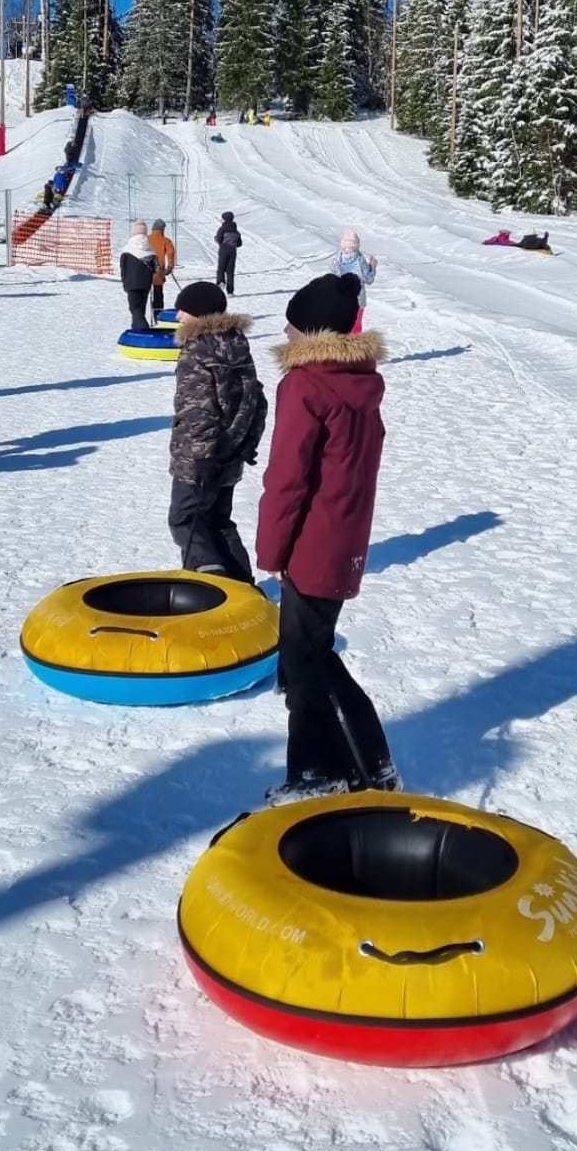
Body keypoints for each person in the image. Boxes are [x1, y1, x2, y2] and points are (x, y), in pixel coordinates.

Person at [256, 271, 400, 803]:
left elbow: (288, 478)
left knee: (303, 660)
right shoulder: (360, 381)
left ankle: (317, 772)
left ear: (310, 331)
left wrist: (272, 550)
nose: (286, 334)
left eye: (293, 325)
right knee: (313, 652)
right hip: (345, 539)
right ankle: (367, 761)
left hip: (313, 542)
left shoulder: (306, 384)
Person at [168, 281, 266, 583]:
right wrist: (245, 445)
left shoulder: (196, 350)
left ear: (198, 314)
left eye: (183, 310)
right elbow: (256, 401)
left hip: (200, 460)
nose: (178, 317)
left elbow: (199, 412)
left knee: (186, 521)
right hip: (230, 455)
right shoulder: (237, 344)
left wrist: (201, 462)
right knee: (219, 521)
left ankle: (212, 584)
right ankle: (243, 586)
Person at [329, 230, 377, 334]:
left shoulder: (338, 258)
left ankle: (341, 348)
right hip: (357, 299)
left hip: (340, 298)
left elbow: (333, 272)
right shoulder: (360, 260)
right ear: (357, 245)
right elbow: (368, 279)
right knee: (355, 326)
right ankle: (354, 348)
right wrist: (372, 266)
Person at [119, 219, 158, 332]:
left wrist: (124, 283)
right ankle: (136, 328)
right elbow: (156, 268)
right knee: (141, 308)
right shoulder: (150, 249)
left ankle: (141, 330)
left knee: (135, 308)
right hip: (146, 284)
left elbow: (123, 268)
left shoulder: (127, 249)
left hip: (131, 283)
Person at [147, 219, 176, 319]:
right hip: (158, 271)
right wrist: (170, 266)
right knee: (158, 294)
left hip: (144, 270)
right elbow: (170, 253)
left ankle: (140, 315)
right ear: (162, 229)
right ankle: (157, 315)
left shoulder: (145, 239)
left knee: (143, 294)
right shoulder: (166, 241)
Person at [214, 211, 242, 296]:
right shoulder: (236, 231)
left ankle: (221, 282)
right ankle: (230, 291)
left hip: (223, 249)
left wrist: (216, 239)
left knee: (221, 268)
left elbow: (219, 239)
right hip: (232, 251)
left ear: (225, 219)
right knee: (230, 271)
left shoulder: (222, 229)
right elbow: (239, 243)